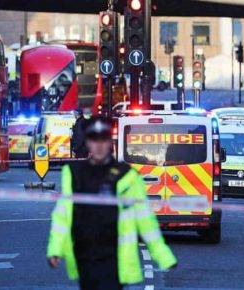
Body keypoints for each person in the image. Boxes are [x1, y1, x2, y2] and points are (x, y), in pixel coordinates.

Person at [47, 116, 177, 290]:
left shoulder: (127, 175)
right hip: (85, 256)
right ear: (87, 143)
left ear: (110, 142)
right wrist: (55, 249)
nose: (99, 145)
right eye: (94, 139)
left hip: (114, 258)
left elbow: (145, 219)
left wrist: (162, 255)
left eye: (103, 139)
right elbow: (62, 216)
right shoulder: (74, 173)